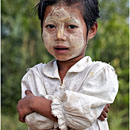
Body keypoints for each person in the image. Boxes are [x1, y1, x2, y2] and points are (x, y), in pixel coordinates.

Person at [17, 0, 118, 130]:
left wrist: (34, 102)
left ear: (92, 30)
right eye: (51, 26)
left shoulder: (101, 73)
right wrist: (83, 109)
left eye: (71, 26)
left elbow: (81, 117)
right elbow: (33, 120)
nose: (60, 36)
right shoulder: (34, 75)